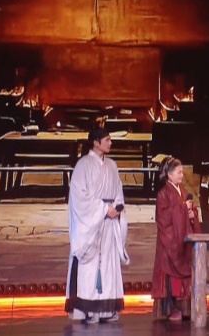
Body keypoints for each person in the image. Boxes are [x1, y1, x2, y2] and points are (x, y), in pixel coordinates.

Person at [65, 127, 130, 324]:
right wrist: (103, 209)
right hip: (92, 224)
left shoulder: (112, 165)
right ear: (95, 142)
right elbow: (79, 196)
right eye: (107, 140)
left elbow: (118, 190)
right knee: (91, 266)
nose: (110, 143)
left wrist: (116, 207)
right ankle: (89, 310)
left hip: (109, 224)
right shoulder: (83, 165)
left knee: (108, 265)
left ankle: (107, 309)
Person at [151, 157, 202, 321]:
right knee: (171, 278)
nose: (182, 175)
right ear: (169, 175)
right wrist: (182, 209)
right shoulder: (163, 194)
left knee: (184, 275)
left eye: (182, 172)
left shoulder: (184, 192)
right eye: (179, 172)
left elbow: (190, 211)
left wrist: (192, 214)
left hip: (182, 240)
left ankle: (185, 309)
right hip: (170, 241)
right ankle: (171, 309)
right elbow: (163, 218)